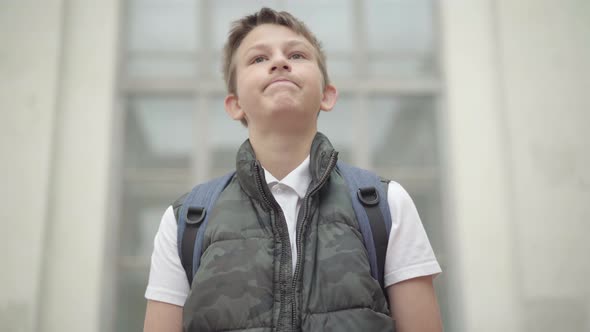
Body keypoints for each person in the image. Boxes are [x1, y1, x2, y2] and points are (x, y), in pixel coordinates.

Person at [144, 7, 442, 332]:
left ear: (327, 96)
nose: (279, 62)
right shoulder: (185, 220)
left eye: (297, 55)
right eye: (258, 59)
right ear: (235, 104)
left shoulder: (386, 205)